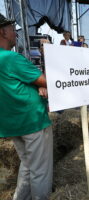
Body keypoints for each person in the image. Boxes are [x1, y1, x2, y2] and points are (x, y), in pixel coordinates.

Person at [0, 14, 53, 199]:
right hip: (32, 122)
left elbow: (17, 82)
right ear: (2, 32)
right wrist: (48, 54)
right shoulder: (10, 58)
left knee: (28, 167)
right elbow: (48, 81)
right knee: (40, 172)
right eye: (12, 29)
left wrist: (36, 85)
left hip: (12, 125)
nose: (16, 33)